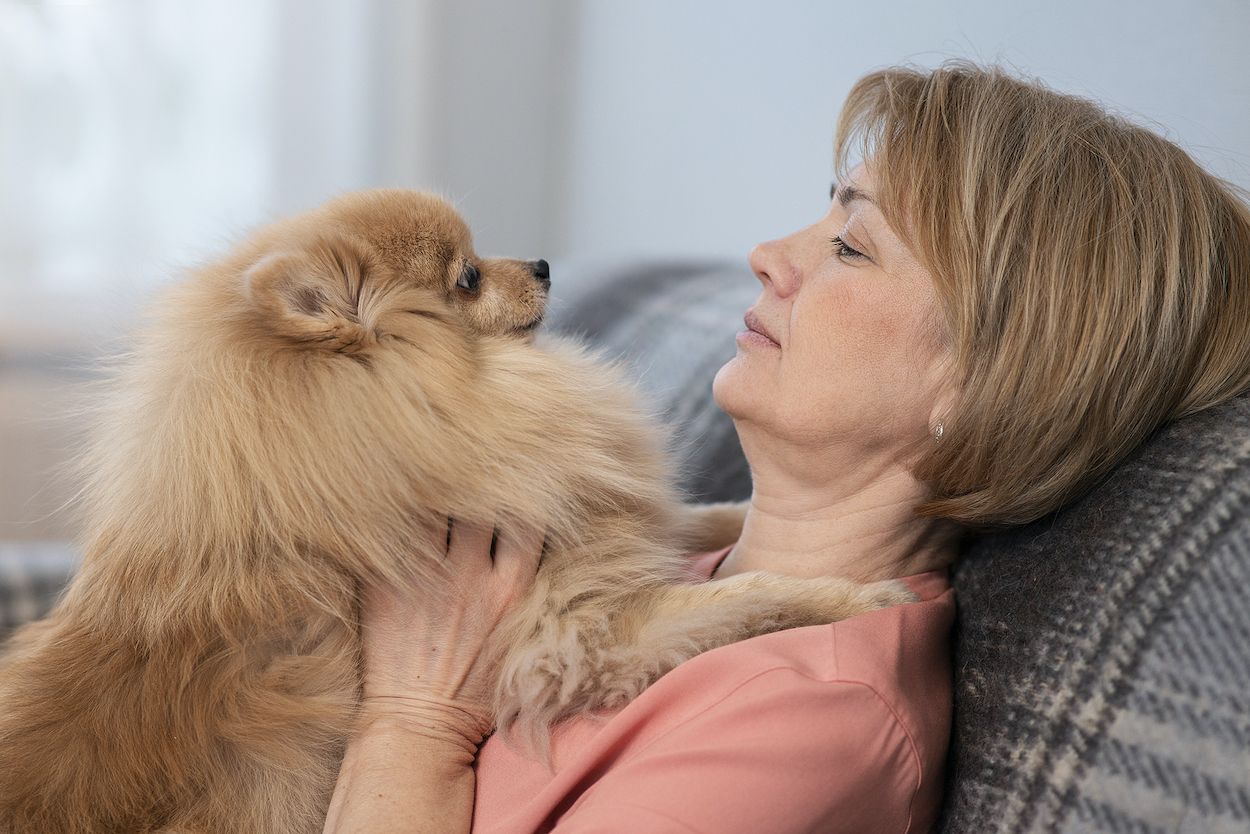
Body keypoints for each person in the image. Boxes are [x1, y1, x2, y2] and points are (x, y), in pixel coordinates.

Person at [323, 60, 1250, 833]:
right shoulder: (662, 563)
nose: (769, 253)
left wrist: (413, 723)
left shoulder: (808, 724)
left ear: (982, 387)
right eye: (824, 213)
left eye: (852, 246)